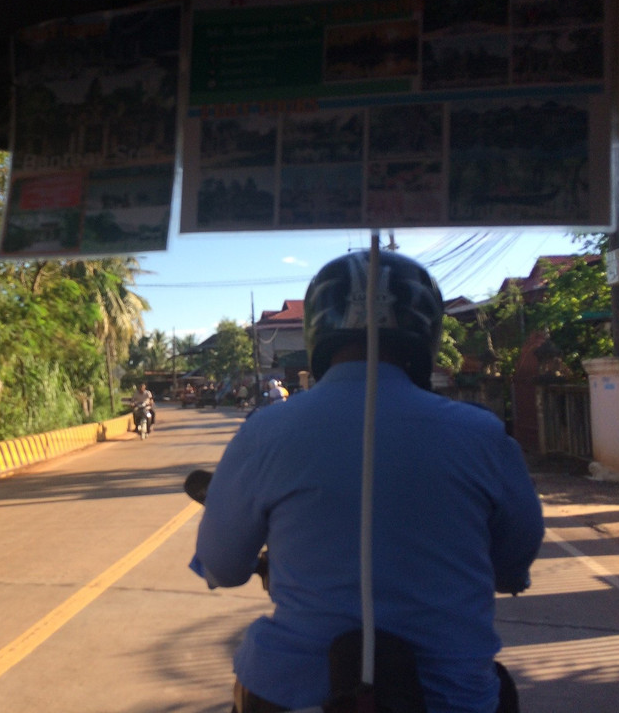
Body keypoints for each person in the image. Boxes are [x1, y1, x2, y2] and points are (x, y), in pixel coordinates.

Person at [192, 251, 544, 713]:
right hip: (453, 696)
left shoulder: (266, 430)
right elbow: (516, 555)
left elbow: (223, 565)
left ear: (320, 328)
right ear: (426, 332)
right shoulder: (481, 433)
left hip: (291, 692)